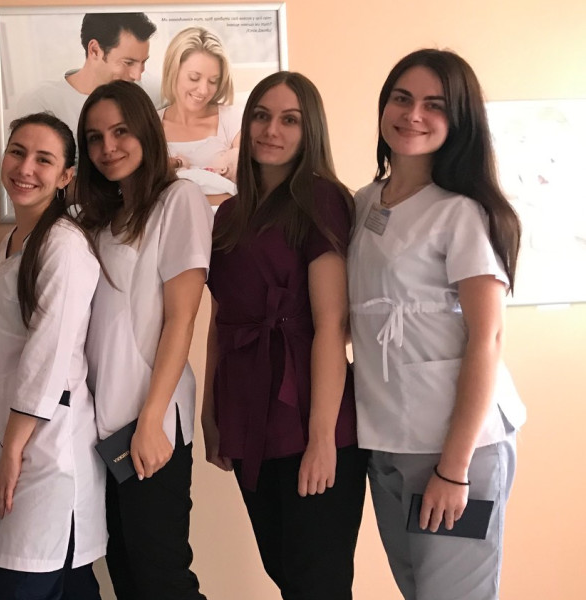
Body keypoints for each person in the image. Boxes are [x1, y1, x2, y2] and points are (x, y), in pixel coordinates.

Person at [348, 49, 527, 600]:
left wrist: (454, 469)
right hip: (387, 439)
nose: (413, 115)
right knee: (418, 589)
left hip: (457, 447)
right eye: (402, 99)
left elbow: (487, 339)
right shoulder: (364, 202)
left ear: (460, 120)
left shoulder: (463, 212)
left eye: (435, 105)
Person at [200, 71, 368, 599]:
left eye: (289, 120)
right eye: (261, 116)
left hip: (311, 413)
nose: (271, 130)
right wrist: (210, 413)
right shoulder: (229, 214)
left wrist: (321, 439)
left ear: (309, 130)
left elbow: (331, 325)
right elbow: (220, 321)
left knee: (318, 582)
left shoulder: (322, 199)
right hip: (247, 407)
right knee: (283, 571)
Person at [75, 80, 213, 600]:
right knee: (126, 575)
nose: (107, 147)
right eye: (94, 138)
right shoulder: (95, 220)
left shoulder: (179, 200)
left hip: (151, 422)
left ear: (146, 133)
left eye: (120, 132)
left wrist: (152, 420)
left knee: (162, 578)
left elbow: (181, 319)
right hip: (102, 429)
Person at [0, 112, 106, 600]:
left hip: (50, 448)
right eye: (17, 152)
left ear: (65, 176)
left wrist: (12, 451)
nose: (25, 168)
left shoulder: (64, 245)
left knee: (21, 585)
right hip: (23, 438)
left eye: (43, 159)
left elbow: (48, 356)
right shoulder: (12, 241)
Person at [14, 13, 156, 134]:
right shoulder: (41, 103)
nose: (137, 76)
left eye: (143, 62)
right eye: (128, 63)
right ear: (95, 50)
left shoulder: (143, 89)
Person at [159, 27, 242, 205]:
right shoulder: (151, 125)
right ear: (173, 71)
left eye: (213, 81)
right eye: (194, 78)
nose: (204, 90)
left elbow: (250, 190)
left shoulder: (232, 121)